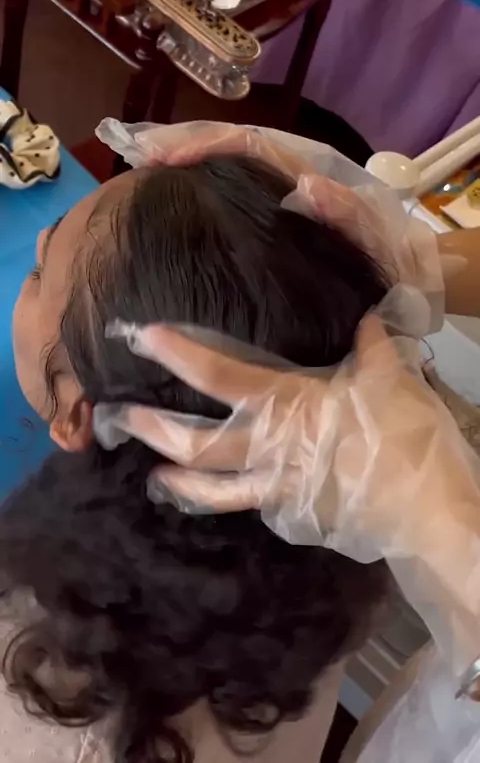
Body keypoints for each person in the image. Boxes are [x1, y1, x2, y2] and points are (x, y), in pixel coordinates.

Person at [0, 154, 393, 763]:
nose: (37, 244)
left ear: (79, 411)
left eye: (37, 271)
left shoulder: (49, 705)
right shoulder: (318, 561)